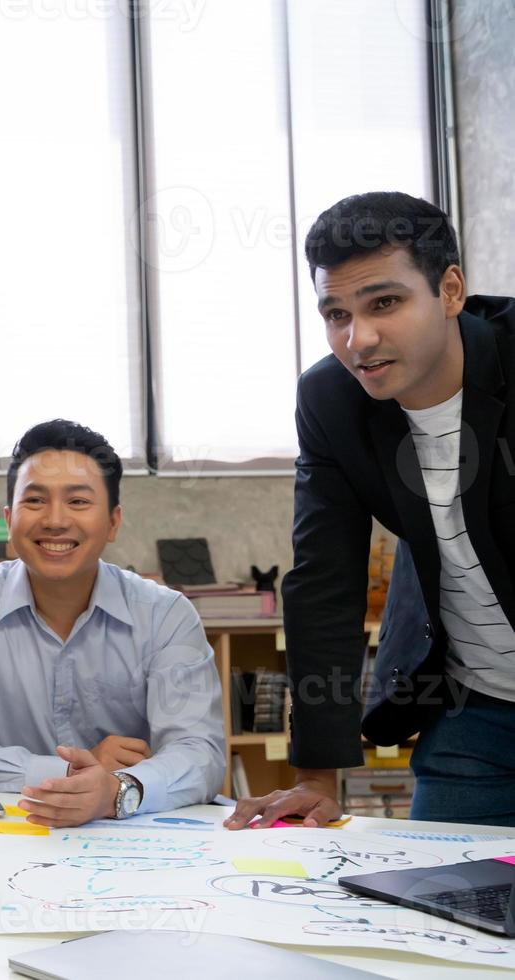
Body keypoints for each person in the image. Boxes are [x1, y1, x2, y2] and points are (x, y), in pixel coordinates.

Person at [227, 192, 515, 830]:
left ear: (450, 290)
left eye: (385, 303)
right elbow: (326, 582)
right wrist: (317, 779)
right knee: (439, 912)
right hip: (474, 714)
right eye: (336, 313)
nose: (359, 339)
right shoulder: (332, 400)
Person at [0, 420, 225, 828]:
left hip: (132, 838)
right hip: (9, 836)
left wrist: (117, 789)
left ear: (113, 521)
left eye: (78, 502)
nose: (55, 520)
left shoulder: (165, 614)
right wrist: (64, 773)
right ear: (8, 518)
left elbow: (200, 752)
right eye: (34, 501)